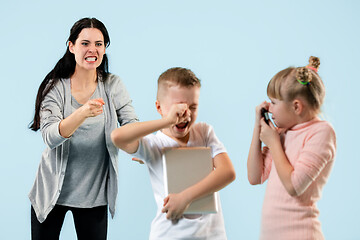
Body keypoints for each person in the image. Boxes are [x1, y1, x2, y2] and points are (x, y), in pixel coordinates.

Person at [28, 17, 138, 240]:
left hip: (93, 196)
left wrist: (142, 149)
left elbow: (131, 124)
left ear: (105, 49)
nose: (92, 50)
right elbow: (49, 136)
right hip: (51, 195)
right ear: (71, 46)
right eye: (85, 43)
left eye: (99, 44)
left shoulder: (113, 85)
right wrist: (81, 113)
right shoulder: (56, 87)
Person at [111, 67, 236, 240]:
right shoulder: (153, 145)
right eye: (178, 108)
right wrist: (167, 120)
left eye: (193, 107)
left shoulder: (205, 132)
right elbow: (117, 137)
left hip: (212, 235)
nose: (186, 114)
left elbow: (227, 172)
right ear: (159, 107)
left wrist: (185, 197)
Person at [247, 56, 336, 240]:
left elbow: (294, 186)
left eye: (274, 102)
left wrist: (273, 143)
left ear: (296, 106)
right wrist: (258, 127)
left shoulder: (321, 132)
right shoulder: (283, 132)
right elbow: (254, 177)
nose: (269, 108)